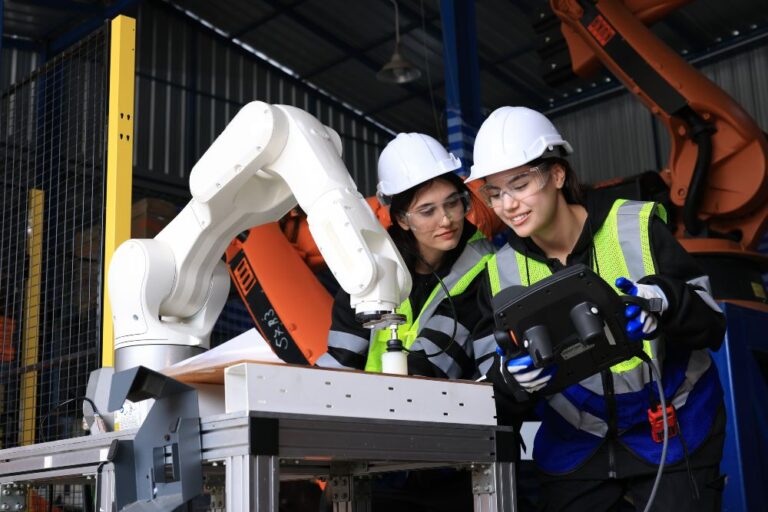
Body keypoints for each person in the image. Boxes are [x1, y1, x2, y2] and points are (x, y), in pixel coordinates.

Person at [467, 106, 726, 511]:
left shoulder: (635, 226)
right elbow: (490, 392)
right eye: (495, 193)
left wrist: (664, 302)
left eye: (519, 185)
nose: (508, 205)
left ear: (556, 175)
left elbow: (712, 323)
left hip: (673, 435)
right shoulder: (498, 273)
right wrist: (515, 381)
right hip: (576, 452)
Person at [316, 132, 496, 379]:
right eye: (427, 211)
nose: (446, 220)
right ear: (402, 219)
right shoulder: (369, 266)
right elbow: (341, 358)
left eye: (452, 203)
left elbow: (438, 362)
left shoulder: (483, 267)